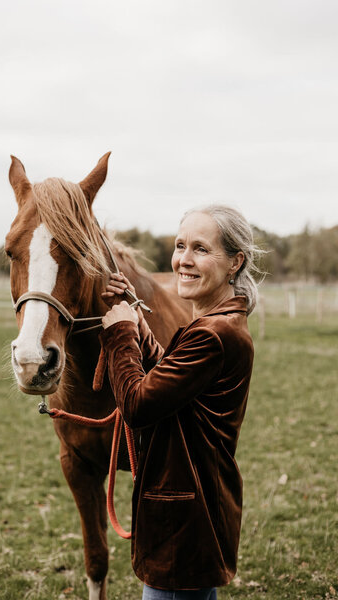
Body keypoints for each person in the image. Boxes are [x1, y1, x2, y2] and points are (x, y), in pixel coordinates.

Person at [100, 205, 260, 600]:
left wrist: (120, 334)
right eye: (180, 245)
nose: (183, 260)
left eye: (201, 249)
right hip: (197, 516)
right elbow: (168, 381)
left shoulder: (212, 335)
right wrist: (137, 316)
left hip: (183, 524)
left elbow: (138, 405)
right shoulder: (215, 325)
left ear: (234, 262)